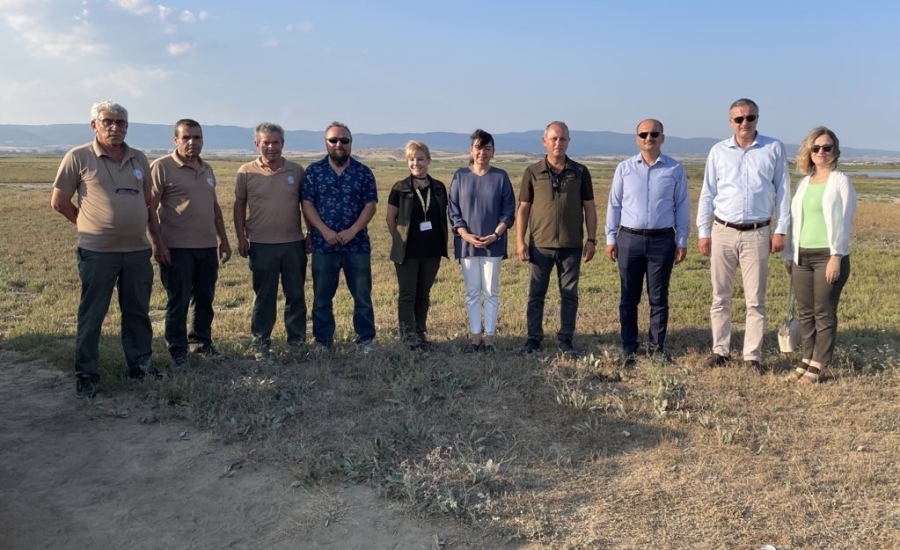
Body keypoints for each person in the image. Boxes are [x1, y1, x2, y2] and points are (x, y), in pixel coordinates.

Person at [50, 100, 161, 397]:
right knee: (93, 314)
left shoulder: (139, 158)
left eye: (121, 123)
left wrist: (157, 241)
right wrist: (86, 224)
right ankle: (87, 374)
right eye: (108, 122)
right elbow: (59, 202)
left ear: (127, 127)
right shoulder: (78, 157)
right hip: (98, 252)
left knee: (138, 312)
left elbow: (147, 202)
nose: (115, 127)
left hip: (137, 251)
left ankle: (141, 366)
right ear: (94, 125)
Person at [696, 98, 791, 374]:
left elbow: (783, 191)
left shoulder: (773, 148)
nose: (745, 123)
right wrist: (703, 232)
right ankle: (720, 351)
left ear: (757, 119)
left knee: (755, 300)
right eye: (739, 119)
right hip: (723, 230)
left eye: (750, 117)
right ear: (730, 122)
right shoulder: (718, 151)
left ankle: (752, 356)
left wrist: (781, 229)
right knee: (720, 296)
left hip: (757, 232)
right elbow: (708, 193)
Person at [605, 119, 690, 365]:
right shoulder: (624, 168)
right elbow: (614, 204)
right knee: (628, 297)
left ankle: (656, 348)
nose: (649, 138)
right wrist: (610, 237)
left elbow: (682, 206)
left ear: (662, 137)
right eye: (643, 134)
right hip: (629, 239)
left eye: (654, 134)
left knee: (658, 298)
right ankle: (629, 347)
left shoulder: (675, 169)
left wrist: (682, 240)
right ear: (637, 139)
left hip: (662, 240)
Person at [150, 119, 232, 373]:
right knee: (179, 300)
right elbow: (149, 209)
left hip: (206, 246)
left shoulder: (206, 169)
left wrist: (223, 239)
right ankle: (178, 351)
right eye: (186, 137)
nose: (192, 142)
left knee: (205, 298)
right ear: (176, 140)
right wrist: (158, 244)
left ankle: (201, 343)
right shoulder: (162, 167)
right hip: (176, 247)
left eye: (197, 137)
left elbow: (214, 207)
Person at [516, 121, 598, 356]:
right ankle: (533, 339)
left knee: (569, 295)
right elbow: (523, 208)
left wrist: (591, 240)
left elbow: (589, 207)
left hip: (571, 246)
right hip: (540, 246)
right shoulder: (533, 172)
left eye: (562, 139)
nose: (558, 143)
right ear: (544, 141)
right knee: (536, 295)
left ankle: (565, 339)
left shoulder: (580, 172)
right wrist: (520, 241)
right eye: (553, 139)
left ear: (569, 141)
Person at [782, 127, 857, 384]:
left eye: (827, 147)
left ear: (835, 151)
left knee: (823, 311)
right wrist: (790, 255)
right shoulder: (804, 183)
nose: (821, 152)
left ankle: (820, 364)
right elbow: (795, 221)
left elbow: (845, 221)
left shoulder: (840, 181)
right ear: (809, 151)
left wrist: (837, 256)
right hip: (802, 256)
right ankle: (806, 359)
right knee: (806, 312)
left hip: (828, 256)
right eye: (816, 148)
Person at [233, 122, 308, 361]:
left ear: (283, 144)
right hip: (261, 244)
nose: (271, 147)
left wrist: (310, 233)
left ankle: (297, 341)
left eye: (276, 142)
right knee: (264, 296)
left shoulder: (296, 171)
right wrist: (241, 237)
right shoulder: (246, 171)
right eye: (266, 142)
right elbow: (239, 205)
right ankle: (261, 342)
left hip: (293, 243)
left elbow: (306, 205)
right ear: (257, 144)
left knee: (295, 294)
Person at [301, 122, 378, 353]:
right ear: (326, 143)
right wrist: (322, 230)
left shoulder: (363, 172)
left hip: (357, 244)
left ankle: (365, 340)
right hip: (324, 245)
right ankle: (323, 341)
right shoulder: (314, 172)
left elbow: (370, 205)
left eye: (344, 140)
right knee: (322, 296)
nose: (339, 145)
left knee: (362, 296)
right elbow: (307, 204)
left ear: (351, 143)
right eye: (333, 140)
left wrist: (353, 230)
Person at [448, 129, 516, 353]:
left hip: (493, 244)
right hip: (467, 244)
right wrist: (465, 234)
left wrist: (495, 235)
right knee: (472, 292)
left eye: (487, 148)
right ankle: (475, 337)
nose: (482, 153)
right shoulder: (460, 176)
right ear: (471, 150)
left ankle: (489, 339)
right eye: (478, 147)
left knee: (491, 291)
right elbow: (453, 210)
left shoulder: (501, 177)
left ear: (493, 152)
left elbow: (508, 211)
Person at [386, 140, 449, 350]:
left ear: (428, 160)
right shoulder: (400, 188)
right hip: (407, 252)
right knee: (407, 294)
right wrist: (398, 239)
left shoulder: (438, 188)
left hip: (432, 251)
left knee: (423, 294)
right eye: (412, 159)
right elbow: (390, 218)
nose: (416, 163)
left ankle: (420, 334)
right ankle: (408, 337)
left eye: (420, 159)